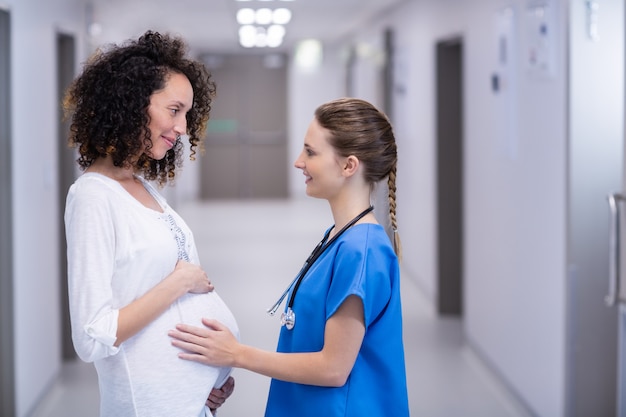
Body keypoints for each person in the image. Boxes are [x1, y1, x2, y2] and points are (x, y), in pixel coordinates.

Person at [169, 97, 410, 416]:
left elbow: (333, 369)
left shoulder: (361, 252)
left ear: (348, 165)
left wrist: (236, 354)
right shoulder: (341, 237)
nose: (298, 162)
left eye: (310, 152)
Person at [63, 31, 238, 417]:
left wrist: (209, 378)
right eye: (174, 110)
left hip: (187, 402)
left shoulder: (139, 186)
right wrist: (180, 283)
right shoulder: (93, 196)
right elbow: (92, 336)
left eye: (188, 114)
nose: (182, 128)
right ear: (130, 104)